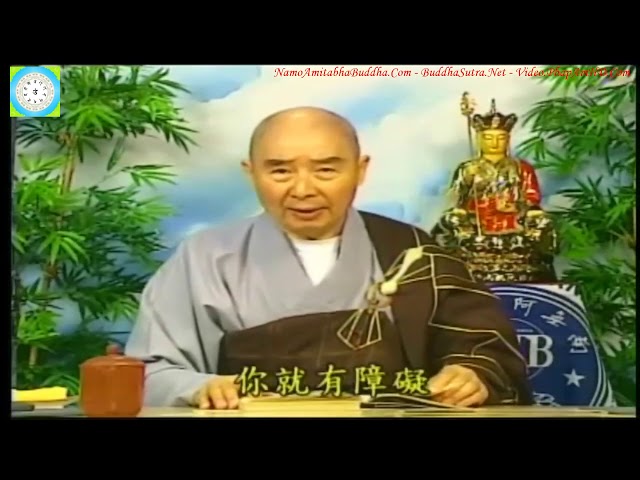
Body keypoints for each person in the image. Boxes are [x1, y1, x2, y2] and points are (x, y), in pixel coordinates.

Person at [125, 106, 532, 410]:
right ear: (251, 173)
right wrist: (199, 387)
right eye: (280, 171)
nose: (303, 189)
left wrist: (470, 374)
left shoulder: (409, 250)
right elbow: (151, 372)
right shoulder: (204, 257)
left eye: (325, 170)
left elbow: (482, 346)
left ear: (360, 170)